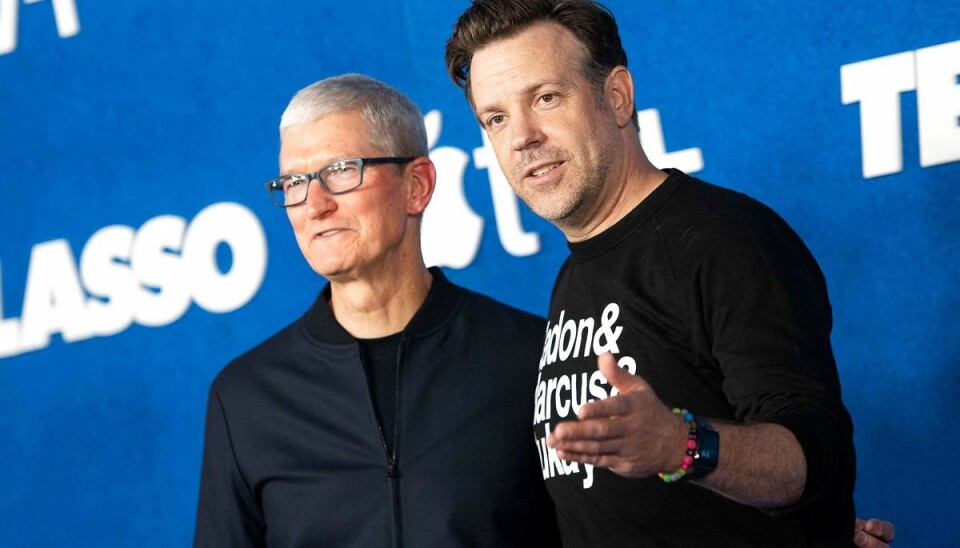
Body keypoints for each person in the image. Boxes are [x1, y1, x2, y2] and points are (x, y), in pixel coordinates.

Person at [445, 1, 895, 546]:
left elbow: (815, 463)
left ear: (616, 97)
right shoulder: (574, 277)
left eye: (545, 98)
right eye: (496, 118)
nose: (521, 136)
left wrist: (680, 445)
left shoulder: (726, 240)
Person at [193, 73, 559, 547]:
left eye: (342, 170)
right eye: (294, 182)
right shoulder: (245, 398)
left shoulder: (531, 357)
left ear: (417, 185)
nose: (314, 206)